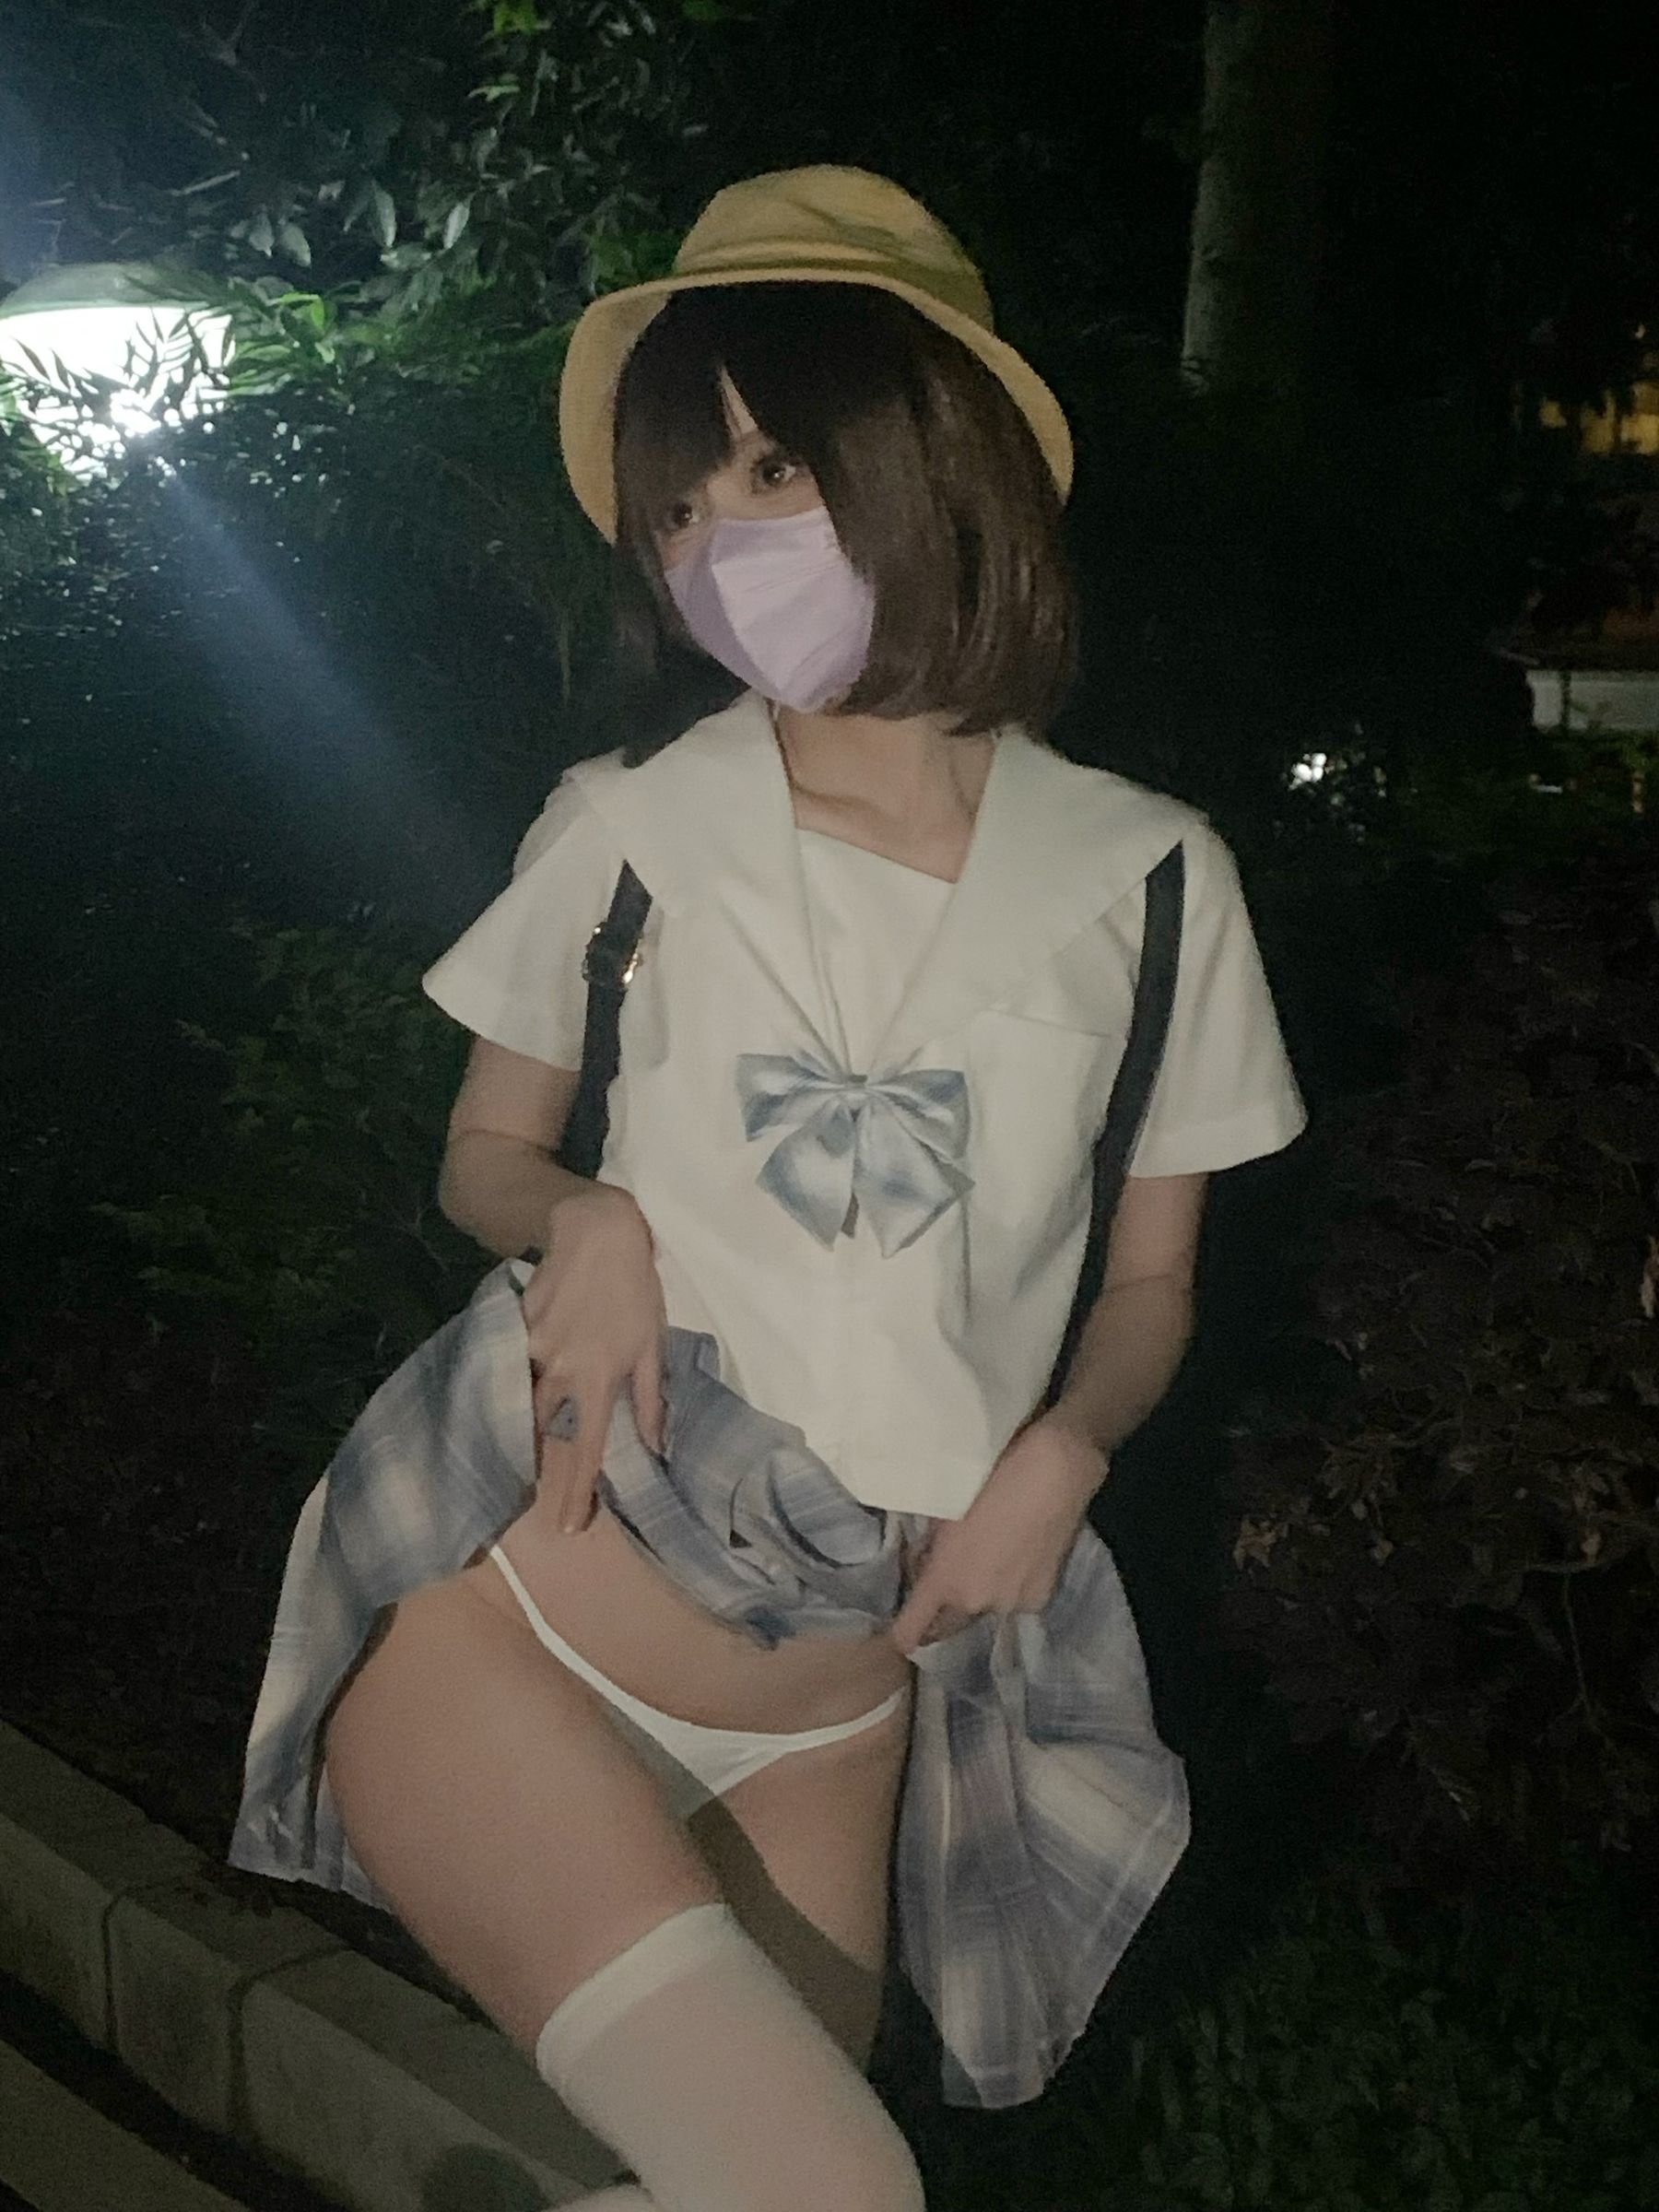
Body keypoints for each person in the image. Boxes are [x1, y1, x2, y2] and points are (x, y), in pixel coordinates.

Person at [228, 167, 1307, 2210]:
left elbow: (1153, 1282)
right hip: (521, 1629)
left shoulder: (1153, 883)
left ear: (940, 459)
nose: (720, 545)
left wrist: (1069, 1448)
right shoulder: (633, 825)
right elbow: (485, 1151)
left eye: (771, 471)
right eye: (676, 509)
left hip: (842, 1715)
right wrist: (587, 1221)